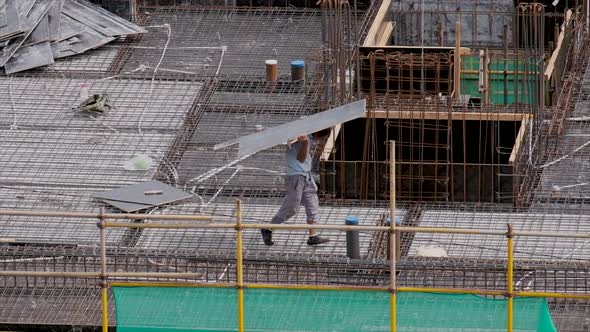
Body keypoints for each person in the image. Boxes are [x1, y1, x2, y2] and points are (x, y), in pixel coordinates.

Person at [261, 128, 332, 246]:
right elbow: (300, 158)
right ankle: (268, 229)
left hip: (307, 176)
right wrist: (305, 143)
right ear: (318, 134)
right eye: (321, 138)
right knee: (291, 207)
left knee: (312, 205)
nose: (319, 141)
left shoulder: (307, 136)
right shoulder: (300, 137)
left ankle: (313, 236)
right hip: (296, 177)